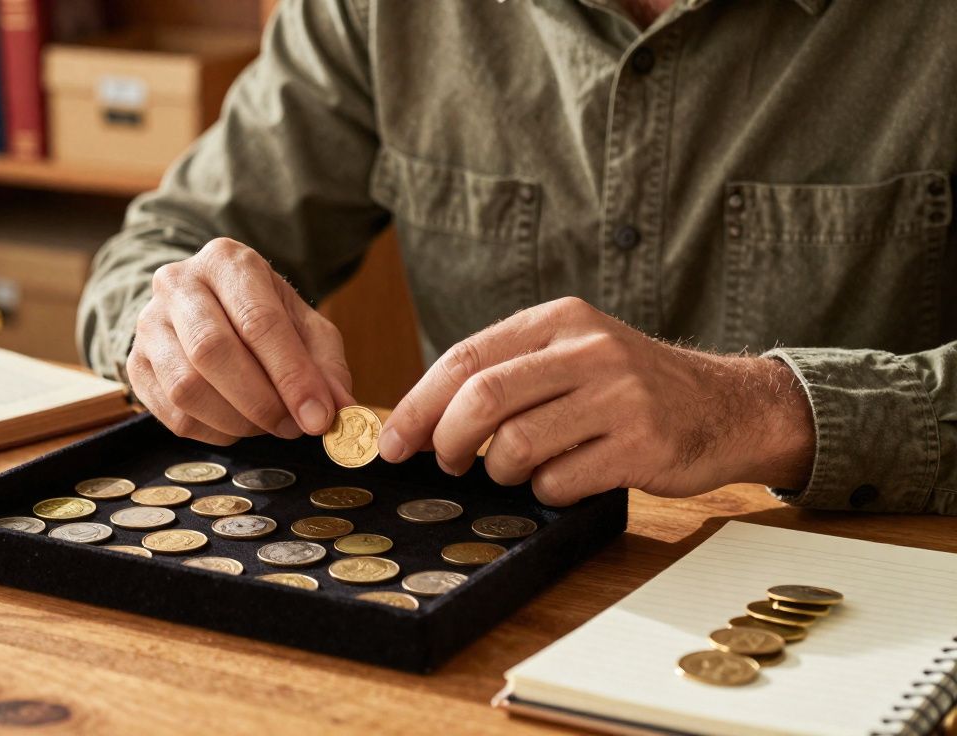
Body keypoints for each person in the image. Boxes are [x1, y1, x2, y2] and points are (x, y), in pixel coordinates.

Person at [78, 0, 956, 516]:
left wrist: (760, 411)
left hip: (844, 614)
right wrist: (170, 324)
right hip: (484, 606)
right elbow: (154, 251)